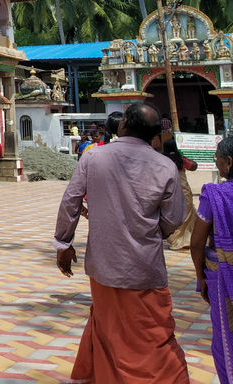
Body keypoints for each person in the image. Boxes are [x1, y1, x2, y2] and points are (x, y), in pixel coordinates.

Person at [54, 102, 189, 383]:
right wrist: (148, 229)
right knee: (154, 340)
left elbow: (71, 201)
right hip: (145, 267)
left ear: (123, 124)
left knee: (110, 333)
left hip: (105, 267)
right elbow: (175, 218)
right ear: (154, 136)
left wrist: (64, 243)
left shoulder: (93, 158)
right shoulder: (165, 166)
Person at [191, 137, 233, 384]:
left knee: (227, 337)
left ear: (229, 162)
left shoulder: (214, 194)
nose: (215, 163)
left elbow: (196, 242)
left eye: (217, 158)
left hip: (222, 276)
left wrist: (201, 276)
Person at [162, 137, 199, 250]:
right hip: (185, 191)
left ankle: (177, 238)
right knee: (187, 215)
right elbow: (194, 166)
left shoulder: (163, 160)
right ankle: (188, 237)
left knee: (175, 215)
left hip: (170, 192)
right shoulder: (181, 160)